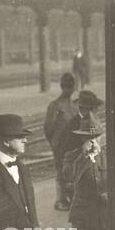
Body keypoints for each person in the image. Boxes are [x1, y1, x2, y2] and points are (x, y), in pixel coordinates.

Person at [44, 73, 78, 211]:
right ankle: (61, 200)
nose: (68, 90)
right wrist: (55, 142)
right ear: (62, 87)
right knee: (60, 172)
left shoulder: (74, 106)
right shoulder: (54, 106)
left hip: (73, 144)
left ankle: (71, 198)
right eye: (66, 87)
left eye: (70, 87)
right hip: (60, 145)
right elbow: (48, 128)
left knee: (71, 171)